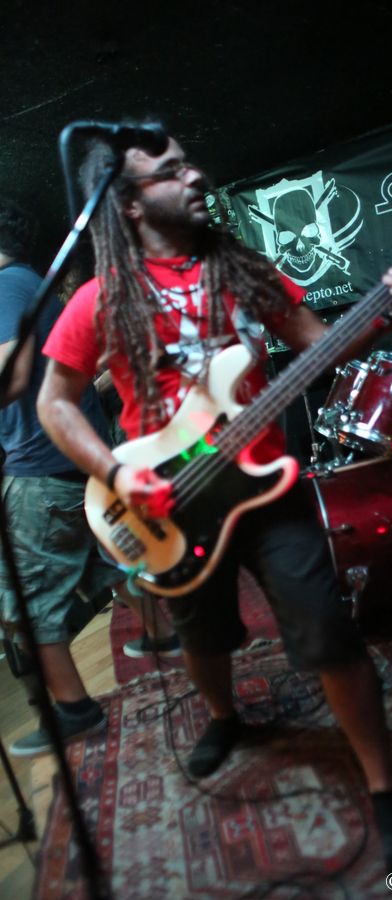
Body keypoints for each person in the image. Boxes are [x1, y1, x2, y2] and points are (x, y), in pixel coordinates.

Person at [37, 129, 392, 877]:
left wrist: (388, 310)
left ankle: (384, 786)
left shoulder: (243, 271)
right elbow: (54, 403)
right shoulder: (100, 297)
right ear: (128, 204)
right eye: (170, 171)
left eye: (190, 161)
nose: (195, 175)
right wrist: (116, 473)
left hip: (269, 487)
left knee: (329, 630)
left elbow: (321, 343)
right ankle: (224, 718)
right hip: (169, 497)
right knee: (204, 631)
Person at [0, 197, 178, 758]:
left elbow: (11, 376)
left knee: (26, 603)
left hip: (39, 466)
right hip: (74, 458)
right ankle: (164, 635)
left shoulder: (5, 288)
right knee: (111, 561)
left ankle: (75, 709)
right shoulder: (32, 285)